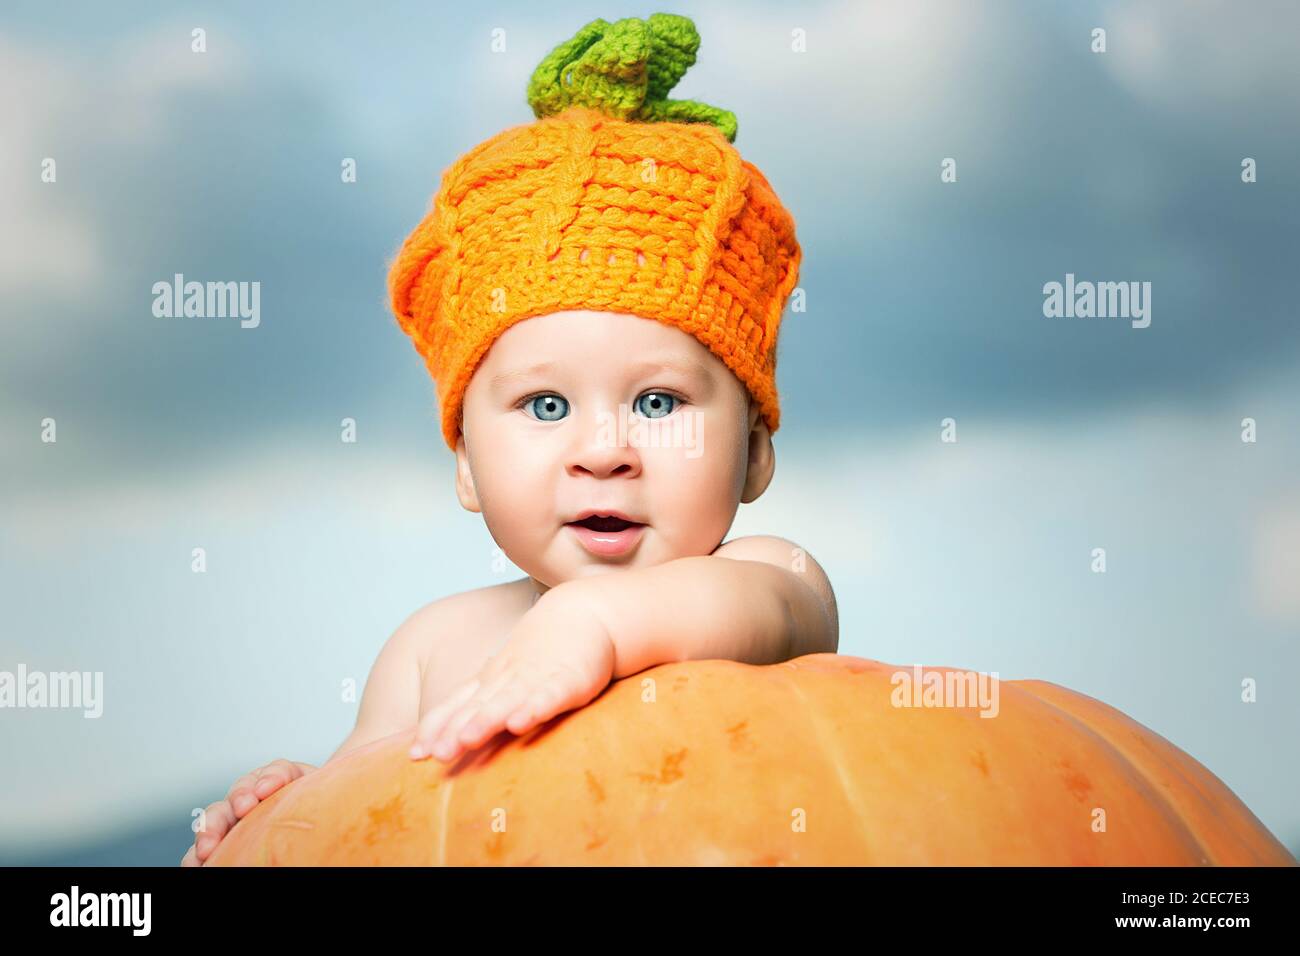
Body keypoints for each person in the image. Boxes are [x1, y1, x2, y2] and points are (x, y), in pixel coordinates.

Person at [182, 12, 836, 867]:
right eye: (546, 407)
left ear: (753, 452)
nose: (603, 450)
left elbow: (735, 611)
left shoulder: (772, 580)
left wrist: (594, 625)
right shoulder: (431, 648)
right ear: (464, 462)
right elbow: (379, 802)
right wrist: (294, 808)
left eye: (658, 401)